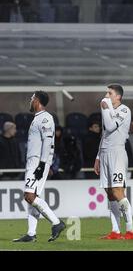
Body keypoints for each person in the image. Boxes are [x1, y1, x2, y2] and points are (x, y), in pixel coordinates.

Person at [13, 91, 66, 243]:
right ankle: (31, 234)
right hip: (34, 161)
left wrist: (42, 164)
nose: (30, 100)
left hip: (37, 162)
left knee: (30, 196)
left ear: (37, 100)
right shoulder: (37, 118)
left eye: (31, 98)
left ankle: (56, 223)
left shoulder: (45, 118)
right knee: (32, 197)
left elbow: (48, 142)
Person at [94, 84, 133, 240]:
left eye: (109, 93)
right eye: (106, 92)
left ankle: (130, 230)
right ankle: (115, 231)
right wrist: (98, 156)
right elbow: (105, 134)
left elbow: (110, 126)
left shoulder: (124, 110)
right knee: (110, 193)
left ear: (118, 96)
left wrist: (105, 109)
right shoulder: (108, 110)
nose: (106, 95)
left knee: (118, 192)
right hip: (104, 153)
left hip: (117, 153)